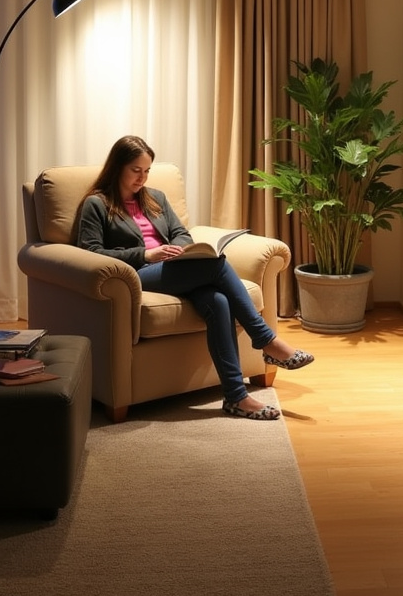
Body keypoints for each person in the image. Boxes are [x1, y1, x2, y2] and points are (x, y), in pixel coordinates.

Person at [77, 135, 314, 420]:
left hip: (173, 269)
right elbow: (90, 251)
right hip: (136, 274)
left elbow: (181, 233)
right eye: (135, 170)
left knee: (219, 302)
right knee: (216, 266)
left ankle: (236, 397)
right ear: (117, 167)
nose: (142, 178)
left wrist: (180, 251)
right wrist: (146, 254)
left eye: (147, 170)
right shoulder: (97, 204)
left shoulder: (155, 198)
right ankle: (266, 340)